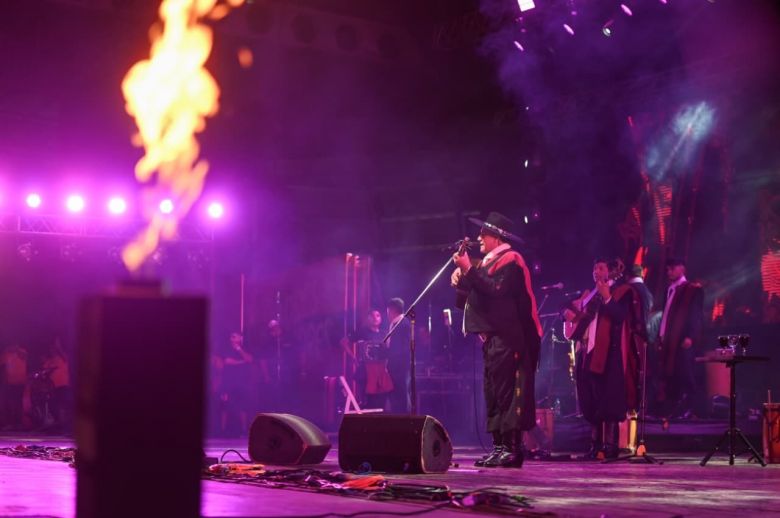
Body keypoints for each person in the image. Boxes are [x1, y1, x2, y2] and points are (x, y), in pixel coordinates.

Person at [451, 212, 542, 468]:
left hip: (510, 338)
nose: (479, 237)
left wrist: (469, 269)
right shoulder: (488, 265)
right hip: (492, 339)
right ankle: (499, 446)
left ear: (497, 237)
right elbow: (470, 300)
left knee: (507, 393)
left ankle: (512, 448)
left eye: (484, 234)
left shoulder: (511, 260)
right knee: (493, 393)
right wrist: (462, 278)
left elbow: (495, 291)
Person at [564, 258, 641, 459]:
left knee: (608, 399)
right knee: (590, 399)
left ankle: (610, 446)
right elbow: (581, 324)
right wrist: (572, 317)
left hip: (609, 354)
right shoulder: (590, 296)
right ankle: (595, 445)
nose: (596, 271)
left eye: (600, 268)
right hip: (588, 352)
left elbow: (620, 316)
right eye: (593, 268)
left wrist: (607, 298)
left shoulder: (623, 292)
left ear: (611, 272)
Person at [657, 257, 703, 419]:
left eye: (672, 268)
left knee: (686, 374)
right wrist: (662, 335)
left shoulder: (692, 289)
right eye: (668, 269)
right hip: (669, 339)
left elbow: (696, 315)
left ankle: (693, 409)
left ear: (682, 268)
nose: (669, 271)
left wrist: (690, 336)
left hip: (683, 339)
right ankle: (673, 409)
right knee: (672, 374)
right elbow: (666, 315)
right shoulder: (669, 290)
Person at [219, 331, 253, 436]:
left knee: (242, 406)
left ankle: (243, 430)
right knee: (225, 406)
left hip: (242, 381)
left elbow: (249, 359)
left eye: (234, 337)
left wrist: (239, 350)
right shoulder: (226, 348)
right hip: (228, 381)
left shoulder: (245, 348)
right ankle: (223, 430)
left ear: (240, 338)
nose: (231, 339)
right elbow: (228, 361)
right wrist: (242, 362)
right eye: (231, 337)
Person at [385, 298, 411, 414]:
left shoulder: (402, 323)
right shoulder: (396, 323)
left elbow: (403, 348)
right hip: (395, 366)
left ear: (391, 310)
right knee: (396, 395)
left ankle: (403, 420)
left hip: (399, 367)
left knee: (401, 394)